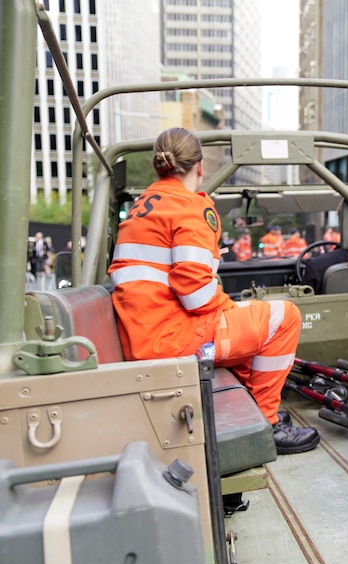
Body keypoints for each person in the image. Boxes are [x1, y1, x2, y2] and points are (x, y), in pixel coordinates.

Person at [108, 127, 319, 456]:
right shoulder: (188, 208)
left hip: (146, 338)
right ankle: (266, 425)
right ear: (200, 167)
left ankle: (247, 414)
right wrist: (229, 307)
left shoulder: (142, 206)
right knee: (284, 316)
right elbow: (195, 296)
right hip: (172, 343)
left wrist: (228, 310)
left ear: (158, 166)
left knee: (250, 327)